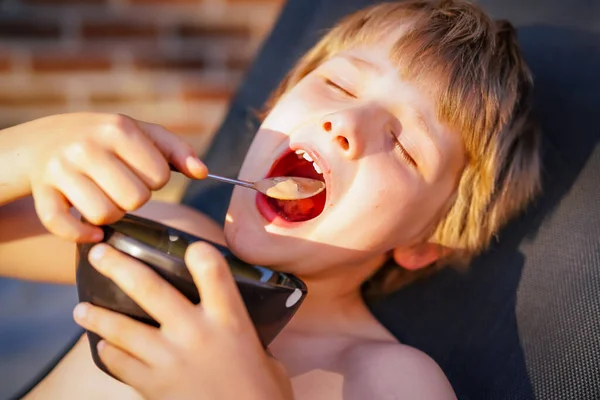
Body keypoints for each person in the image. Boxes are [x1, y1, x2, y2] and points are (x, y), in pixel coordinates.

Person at [0, 0, 541, 398]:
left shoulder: (388, 379)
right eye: (341, 87)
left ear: (425, 241)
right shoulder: (162, 238)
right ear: (276, 104)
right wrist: (26, 152)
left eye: (404, 146)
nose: (344, 124)